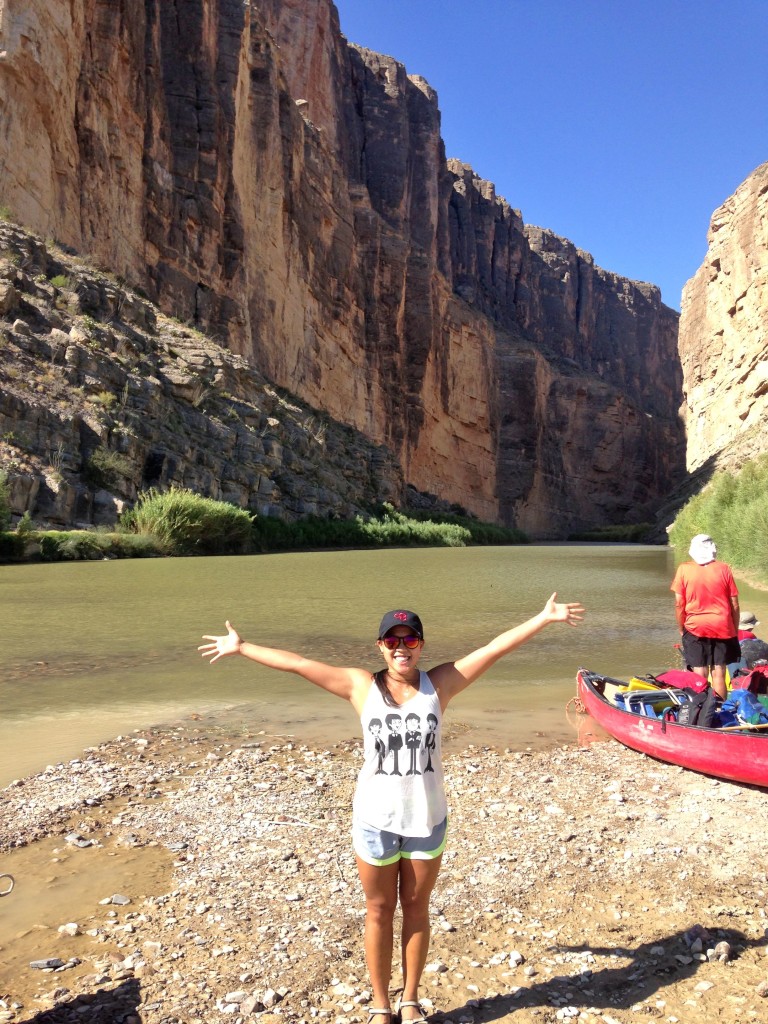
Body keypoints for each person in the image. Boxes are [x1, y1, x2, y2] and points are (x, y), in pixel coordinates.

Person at [199, 593, 585, 1024]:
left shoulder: (439, 683)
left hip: (426, 818)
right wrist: (242, 647)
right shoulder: (360, 685)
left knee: (417, 910)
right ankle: (382, 1004)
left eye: (410, 639)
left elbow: (494, 648)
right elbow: (299, 664)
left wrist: (543, 618)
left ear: (421, 644)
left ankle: (411, 998)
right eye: (392, 640)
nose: (402, 647)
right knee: (379, 910)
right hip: (375, 820)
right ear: (380, 646)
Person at [671, 533, 740, 700]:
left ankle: (701, 710)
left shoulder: (684, 569)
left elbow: (680, 604)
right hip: (722, 625)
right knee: (719, 673)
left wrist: (681, 627)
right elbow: (735, 604)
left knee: (699, 672)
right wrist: (734, 629)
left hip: (695, 626)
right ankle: (721, 710)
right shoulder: (724, 569)